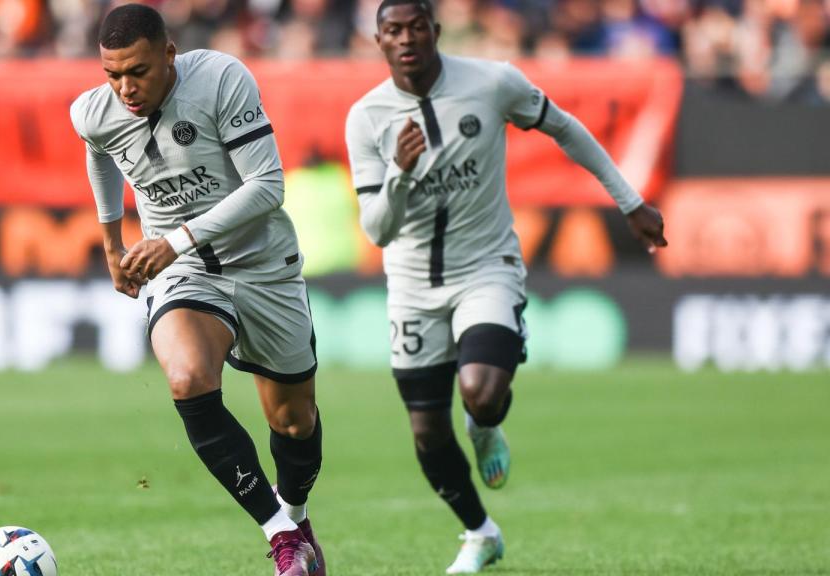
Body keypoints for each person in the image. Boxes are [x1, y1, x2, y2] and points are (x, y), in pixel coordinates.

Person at [344, 0, 668, 573]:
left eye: (417, 26)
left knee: (481, 392)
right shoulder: (367, 117)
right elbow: (376, 229)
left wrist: (629, 200)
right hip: (413, 286)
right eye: (392, 30)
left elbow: (566, 129)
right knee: (425, 432)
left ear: (435, 32)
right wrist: (399, 172)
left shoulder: (491, 83)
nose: (406, 38)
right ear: (378, 41)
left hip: (485, 267)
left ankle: (486, 424)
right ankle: (480, 533)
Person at [69, 5, 325, 576]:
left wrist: (176, 239)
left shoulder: (221, 80)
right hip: (186, 274)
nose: (125, 89)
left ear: (169, 52)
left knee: (293, 421)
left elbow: (268, 186)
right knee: (186, 377)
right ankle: (281, 535)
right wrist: (113, 243)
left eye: (137, 71)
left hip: (264, 266)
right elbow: (99, 153)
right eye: (112, 74)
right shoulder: (93, 112)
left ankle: (297, 513)